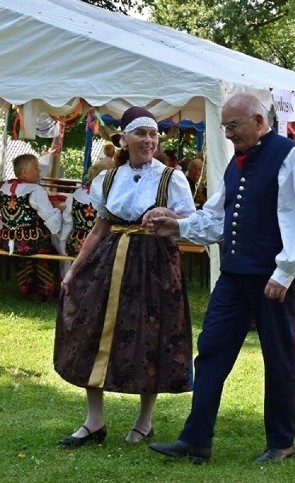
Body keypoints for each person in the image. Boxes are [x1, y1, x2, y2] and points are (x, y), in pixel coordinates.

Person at [145, 93, 295, 464]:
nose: (228, 134)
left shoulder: (290, 156)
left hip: (271, 279)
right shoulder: (235, 165)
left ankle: (281, 443)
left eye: (233, 126)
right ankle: (196, 440)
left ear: (258, 121)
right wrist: (177, 226)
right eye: (224, 127)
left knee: (278, 359)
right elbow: (216, 217)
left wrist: (284, 272)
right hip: (235, 276)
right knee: (211, 352)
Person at [53, 106, 196, 447]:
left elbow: (192, 224)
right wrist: (73, 269)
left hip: (154, 264)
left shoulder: (171, 178)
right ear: (124, 138)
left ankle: (144, 422)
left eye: (153, 134)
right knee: (91, 329)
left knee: (151, 334)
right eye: (141, 133)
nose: (148, 140)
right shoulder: (108, 178)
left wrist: (170, 216)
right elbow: (99, 229)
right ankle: (94, 420)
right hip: (108, 262)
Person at [0, 154, 63, 299]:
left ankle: (26, 285)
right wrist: (59, 212)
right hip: (30, 242)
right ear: (23, 172)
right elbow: (50, 218)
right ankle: (45, 290)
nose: (39, 171)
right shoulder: (35, 190)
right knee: (51, 248)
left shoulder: (4, 187)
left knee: (34, 246)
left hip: (7, 241)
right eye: (36, 168)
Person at [59, 164, 106, 257]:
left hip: (76, 242)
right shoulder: (106, 198)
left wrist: (63, 242)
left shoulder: (75, 196)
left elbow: (67, 223)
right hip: (99, 244)